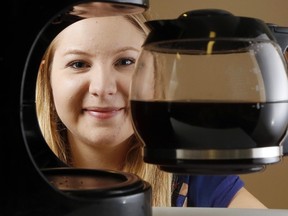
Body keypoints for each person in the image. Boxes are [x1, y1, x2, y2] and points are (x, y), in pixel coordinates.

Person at [35, 11, 267, 208]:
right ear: (46, 76)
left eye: (125, 62)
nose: (103, 88)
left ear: (153, 74)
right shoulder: (17, 175)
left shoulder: (198, 177)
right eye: (78, 64)